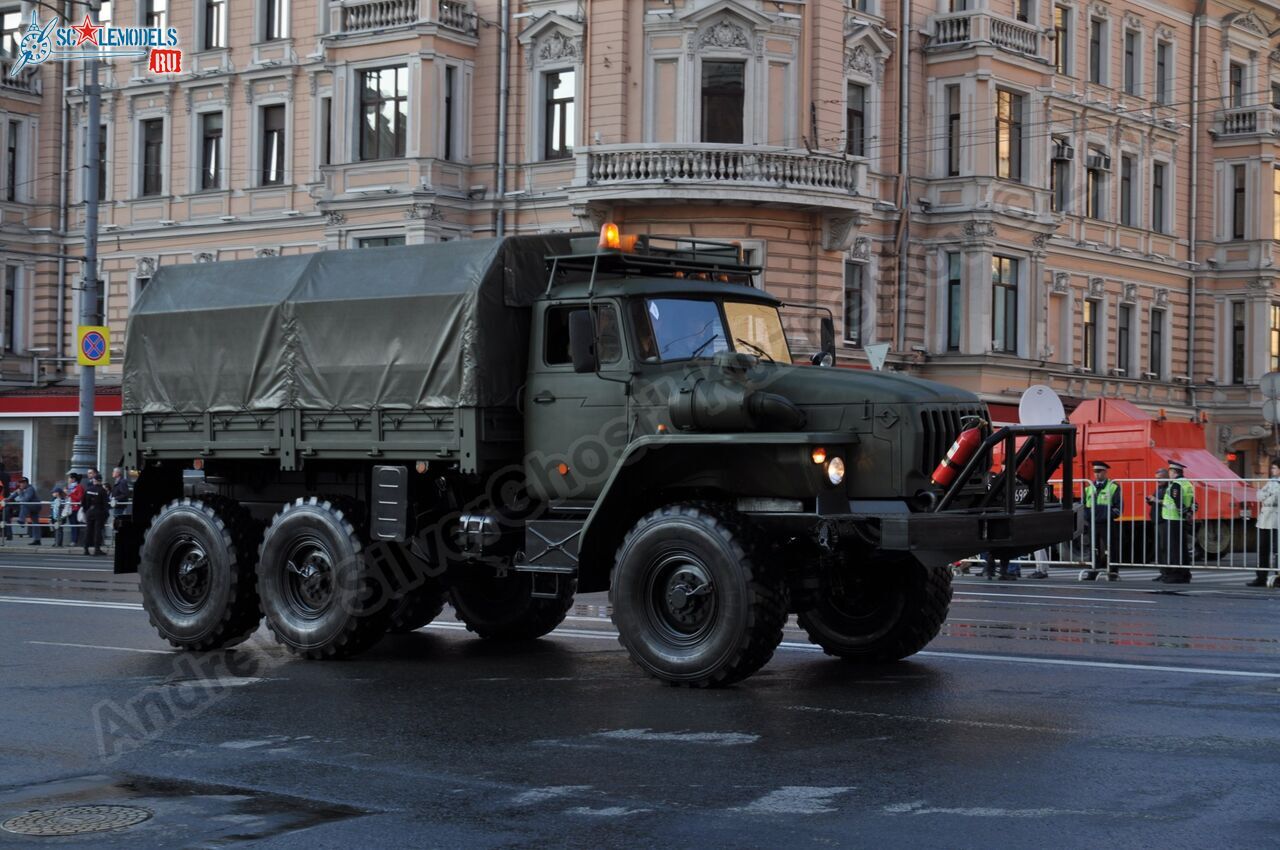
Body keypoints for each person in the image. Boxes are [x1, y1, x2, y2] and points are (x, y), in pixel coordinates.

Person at [1083, 461, 1122, 580]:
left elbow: (1118, 507)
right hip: (1093, 522)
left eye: (1099, 471)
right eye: (1095, 472)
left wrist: (1107, 515)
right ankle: (1093, 571)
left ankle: (1113, 573)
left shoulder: (1113, 486)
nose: (1096, 474)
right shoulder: (1089, 487)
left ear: (1105, 472)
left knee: (1111, 548)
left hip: (1107, 522)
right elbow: (1084, 505)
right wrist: (1088, 516)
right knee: (1093, 548)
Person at [1158, 459, 1196, 584]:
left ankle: (1175, 574)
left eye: (1170, 471)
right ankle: (1185, 574)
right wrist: (1188, 514)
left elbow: (1178, 502)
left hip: (1173, 519)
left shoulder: (1176, 484)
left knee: (1174, 549)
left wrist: (1183, 513)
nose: (1169, 474)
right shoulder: (1188, 483)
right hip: (1181, 520)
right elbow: (1193, 502)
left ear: (1174, 472)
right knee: (1182, 548)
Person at [1248, 459, 1280, 587]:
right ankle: (1261, 577)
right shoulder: (1271, 482)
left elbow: (1275, 497)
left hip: (1277, 518)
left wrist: (1267, 494)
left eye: (1274, 468)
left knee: (1277, 550)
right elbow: (1259, 496)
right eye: (1272, 468)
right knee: (1262, 548)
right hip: (1265, 517)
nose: (1272, 470)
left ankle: (1278, 576)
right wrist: (1268, 494)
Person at [1146, 468, 1168, 578]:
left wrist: (1156, 500)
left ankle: (1167, 572)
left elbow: (1169, 503)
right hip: (1157, 520)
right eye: (1156, 479)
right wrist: (1150, 500)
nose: (1158, 481)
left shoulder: (1169, 488)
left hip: (1164, 521)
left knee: (1164, 547)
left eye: (1160, 478)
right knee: (1159, 548)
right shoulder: (1159, 488)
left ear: (1166, 477)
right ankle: (1162, 572)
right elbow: (1156, 501)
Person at [80, 470, 109, 556]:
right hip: (99, 512)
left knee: (88, 530)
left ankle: (86, 549)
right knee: (97, 531)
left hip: (89, 511)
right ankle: (97, 549)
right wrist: (105, 514)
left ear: (94, 480)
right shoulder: (102, 490)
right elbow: (105, 504)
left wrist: (86, 510)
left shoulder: (88, 489)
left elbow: (83, 502)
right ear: (100, 481)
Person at [15, 478, 42, 545]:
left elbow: (25, 500)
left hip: (35, 506)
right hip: (31, 506)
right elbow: (14, 494)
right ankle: (37, 540)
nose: (20, 484)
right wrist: (7, 499)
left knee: (24, 505)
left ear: (26, 483)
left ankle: (22, 520)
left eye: (22, 483)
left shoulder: (30, 489)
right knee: (35, 523)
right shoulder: (22, 489)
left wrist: (20, 494)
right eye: (20, 483)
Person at [65, 472, 84, 547]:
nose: (68, 479)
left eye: (69, 478)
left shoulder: (79, 487)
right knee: (72, 525)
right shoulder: (69, 487)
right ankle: (73, 540)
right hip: (69, 507)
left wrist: (69, 494)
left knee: (74, 525)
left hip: (75, 508)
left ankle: (74, 541)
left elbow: (79, 498)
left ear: (73, 479)